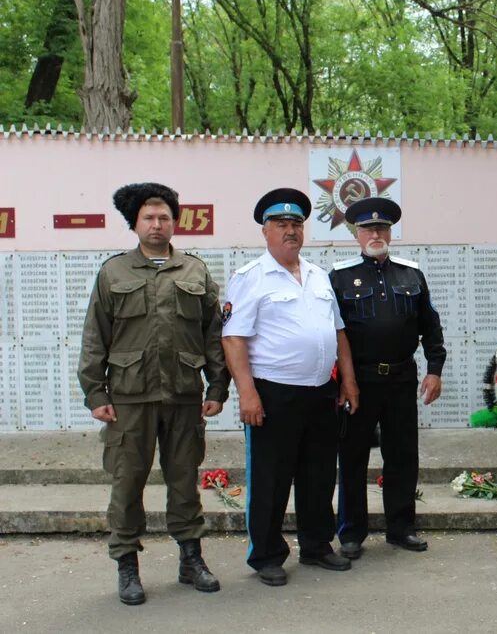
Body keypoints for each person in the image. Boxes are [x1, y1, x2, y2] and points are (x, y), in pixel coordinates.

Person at [79, 182, 228, 605]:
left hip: (183, 395)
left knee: (184, 482)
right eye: (149, 217)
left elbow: (212, 335)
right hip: (129, 399)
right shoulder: (114, 273)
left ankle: (190, 559)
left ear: (174, 222)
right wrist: (95, 393)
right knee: (127, 485)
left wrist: (217, 385)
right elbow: (95, 338)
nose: (157, 224)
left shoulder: (195, 271)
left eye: (164, 217)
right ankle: (127, 565)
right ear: (136, 223)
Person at [221, 188, 358, 587]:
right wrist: (246, 392)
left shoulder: (317, 275)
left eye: (297, 224)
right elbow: (234, 339)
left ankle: (316, 546)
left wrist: (348, 381)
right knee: (271, 478)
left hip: (320, 392)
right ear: (265, 232)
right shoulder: (250, 277)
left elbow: (338, 332)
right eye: (281, 225)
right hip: (273, 393)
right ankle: (265, 554)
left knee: (318, 475)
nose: (290, 231)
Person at [329, 197, 446, 557]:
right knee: (352, 458)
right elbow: (333, 333)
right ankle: (351, 533)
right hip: (358, 381)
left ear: (390, 232)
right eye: (367, 228)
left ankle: (401, 528)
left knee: (402, 456)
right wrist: (341, 383)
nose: (375, 233)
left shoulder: (411, 274)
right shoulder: (339, 276)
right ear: (357, 234)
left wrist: (434, 370)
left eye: (381, 228)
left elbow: (431, 327)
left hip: (400, 379)